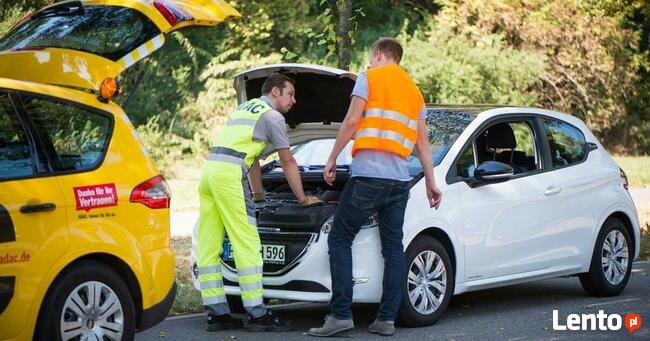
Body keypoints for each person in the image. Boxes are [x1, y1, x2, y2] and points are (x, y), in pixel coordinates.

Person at [308, 37, 442, 337]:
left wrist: (331, 158)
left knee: (340, 238)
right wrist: (432, 182)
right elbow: (422, 143)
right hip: (399, 181)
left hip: (368, 176)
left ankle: (340, 314)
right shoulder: (414, 92)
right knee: (393, 248)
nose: (369, 63)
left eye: (371, 57)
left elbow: (352, 120)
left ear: (379, 54)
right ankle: (386, 320)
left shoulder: (370, 77)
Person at [197, 73, 321, 332]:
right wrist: (302, 197)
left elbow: (253, 159)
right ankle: (257, 313)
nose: (294, 101)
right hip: (230, 177)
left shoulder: (246, 108)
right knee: (248, 243)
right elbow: (288, 161)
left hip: (209, 173)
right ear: (275, 92)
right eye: (290, 94)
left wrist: (259, 195)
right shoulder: (273, 117)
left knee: (210, 244)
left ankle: (217, 314)